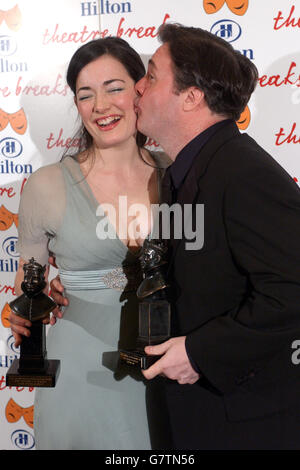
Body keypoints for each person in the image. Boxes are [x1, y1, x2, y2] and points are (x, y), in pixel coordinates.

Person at [46, 24, 300, 449]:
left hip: (240, 424)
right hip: (188, 415)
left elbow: (293, 289)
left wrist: (201, 352)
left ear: (191, 97)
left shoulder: (243, 173)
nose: (139, 88)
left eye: (152, 76)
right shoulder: (180, 175)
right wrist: (74, 280)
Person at [9, 37, 171, 450]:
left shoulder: (179, 173)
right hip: (79, 371)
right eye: (85, 94)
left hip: (168, 366)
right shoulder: (47, 185)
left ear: (141, 89)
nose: (101, 105)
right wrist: (27, 313)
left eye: (114, 88)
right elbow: (25, 290)